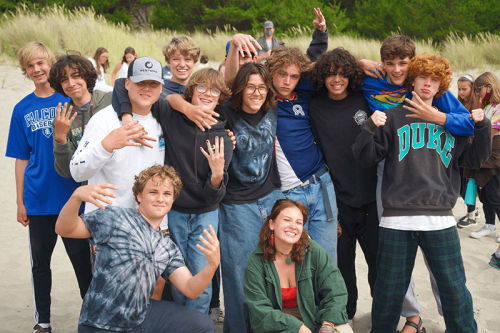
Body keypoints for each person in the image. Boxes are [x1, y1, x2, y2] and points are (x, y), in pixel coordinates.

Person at [352, 52, 490, 333]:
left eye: (434, 80)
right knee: (389, 292)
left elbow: (474, 159)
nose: (427, 84)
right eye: (422, 78)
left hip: (440, 219)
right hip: (396, 220)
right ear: (412, 81)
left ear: (441, 86)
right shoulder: (392, 117)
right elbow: (365, 158)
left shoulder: (450, 122)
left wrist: (483, 125)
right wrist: (369, 126)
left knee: (453, 289)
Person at [111, 67, 234, 315]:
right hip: (174, 211)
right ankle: (181, 323)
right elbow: (120, 83)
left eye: (214, 90)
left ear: (221, 97)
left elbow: (213, 197)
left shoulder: (223, 137)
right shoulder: (172, 114)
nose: (207, 94)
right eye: (201, 87)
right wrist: (126, 115)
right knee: (177, 277)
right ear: (191, 90)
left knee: (201, 275)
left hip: (205, 213)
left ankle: (198, 325)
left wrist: (218, 175)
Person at [55, 164, 218, 333]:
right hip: (99, 323)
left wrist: (212, 265)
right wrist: (76, 198)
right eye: (153, 192)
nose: (160, 199)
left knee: (203, 325)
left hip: (140, 319)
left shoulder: (167, 246)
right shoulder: (115, 217)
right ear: (139, 195)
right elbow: (64, 229)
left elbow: (191, 290)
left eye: (167, 194)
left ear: (173, 199)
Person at [5, 41, 92, 333]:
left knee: (84, 266)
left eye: (41, 63)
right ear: (25, 71)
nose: (37, 69)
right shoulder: (21, 109)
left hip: (73, 199)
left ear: (50, 64)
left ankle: (92, 318)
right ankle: (43, 321)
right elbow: (20, 159)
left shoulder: (69, 99)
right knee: (40, 266)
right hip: (38, 199)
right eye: (30, 65)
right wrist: (20, 202)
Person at [308, 48, 379, 326]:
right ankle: (345, 316)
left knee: (378, 264)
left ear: (350, 76)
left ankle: (383, 315)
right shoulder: (315, 105)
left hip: (372, 197)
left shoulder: (365, 99)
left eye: (342, 74)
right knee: (342, 266)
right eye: (330, 74)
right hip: (337, 200)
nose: (336, 79)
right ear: (322, 77)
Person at [244, 199, 352, 333]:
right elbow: (260, 311)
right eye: (287, 220)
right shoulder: (257, 262)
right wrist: (299, 328)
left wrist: (327, 325)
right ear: (271, 224)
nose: (293, 226)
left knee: (345, 331)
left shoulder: (313, 252)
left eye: (299, 222)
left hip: (314, 320)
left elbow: (336, 292)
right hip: (277, 326)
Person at [48, 53, 112, 178]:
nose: (71, 84)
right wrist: (60, 138)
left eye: (75, 76)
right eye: (64, 80)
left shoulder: (110, 100)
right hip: (92, 190)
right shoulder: (62, 120)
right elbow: (67, 171)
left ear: (86, 76)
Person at [468, 72, 500, 241]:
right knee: (485, 193)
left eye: (479, 89)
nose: (478, 93)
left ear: (489, 87)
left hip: (495, 157)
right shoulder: (487, 107)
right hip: (484, 155)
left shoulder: (499, 107)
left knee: (495, 194)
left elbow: (491, 134)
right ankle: (490, 225)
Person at [456, 74, 480, 228]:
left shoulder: (477, 105)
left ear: (472, 88)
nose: (461, 92)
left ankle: (471, 215)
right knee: (461, 183)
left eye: (464, 89)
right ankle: (472, 210)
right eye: (459, 89)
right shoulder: (458, 103)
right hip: (459, 148)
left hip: (471, 149)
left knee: (467, 183)